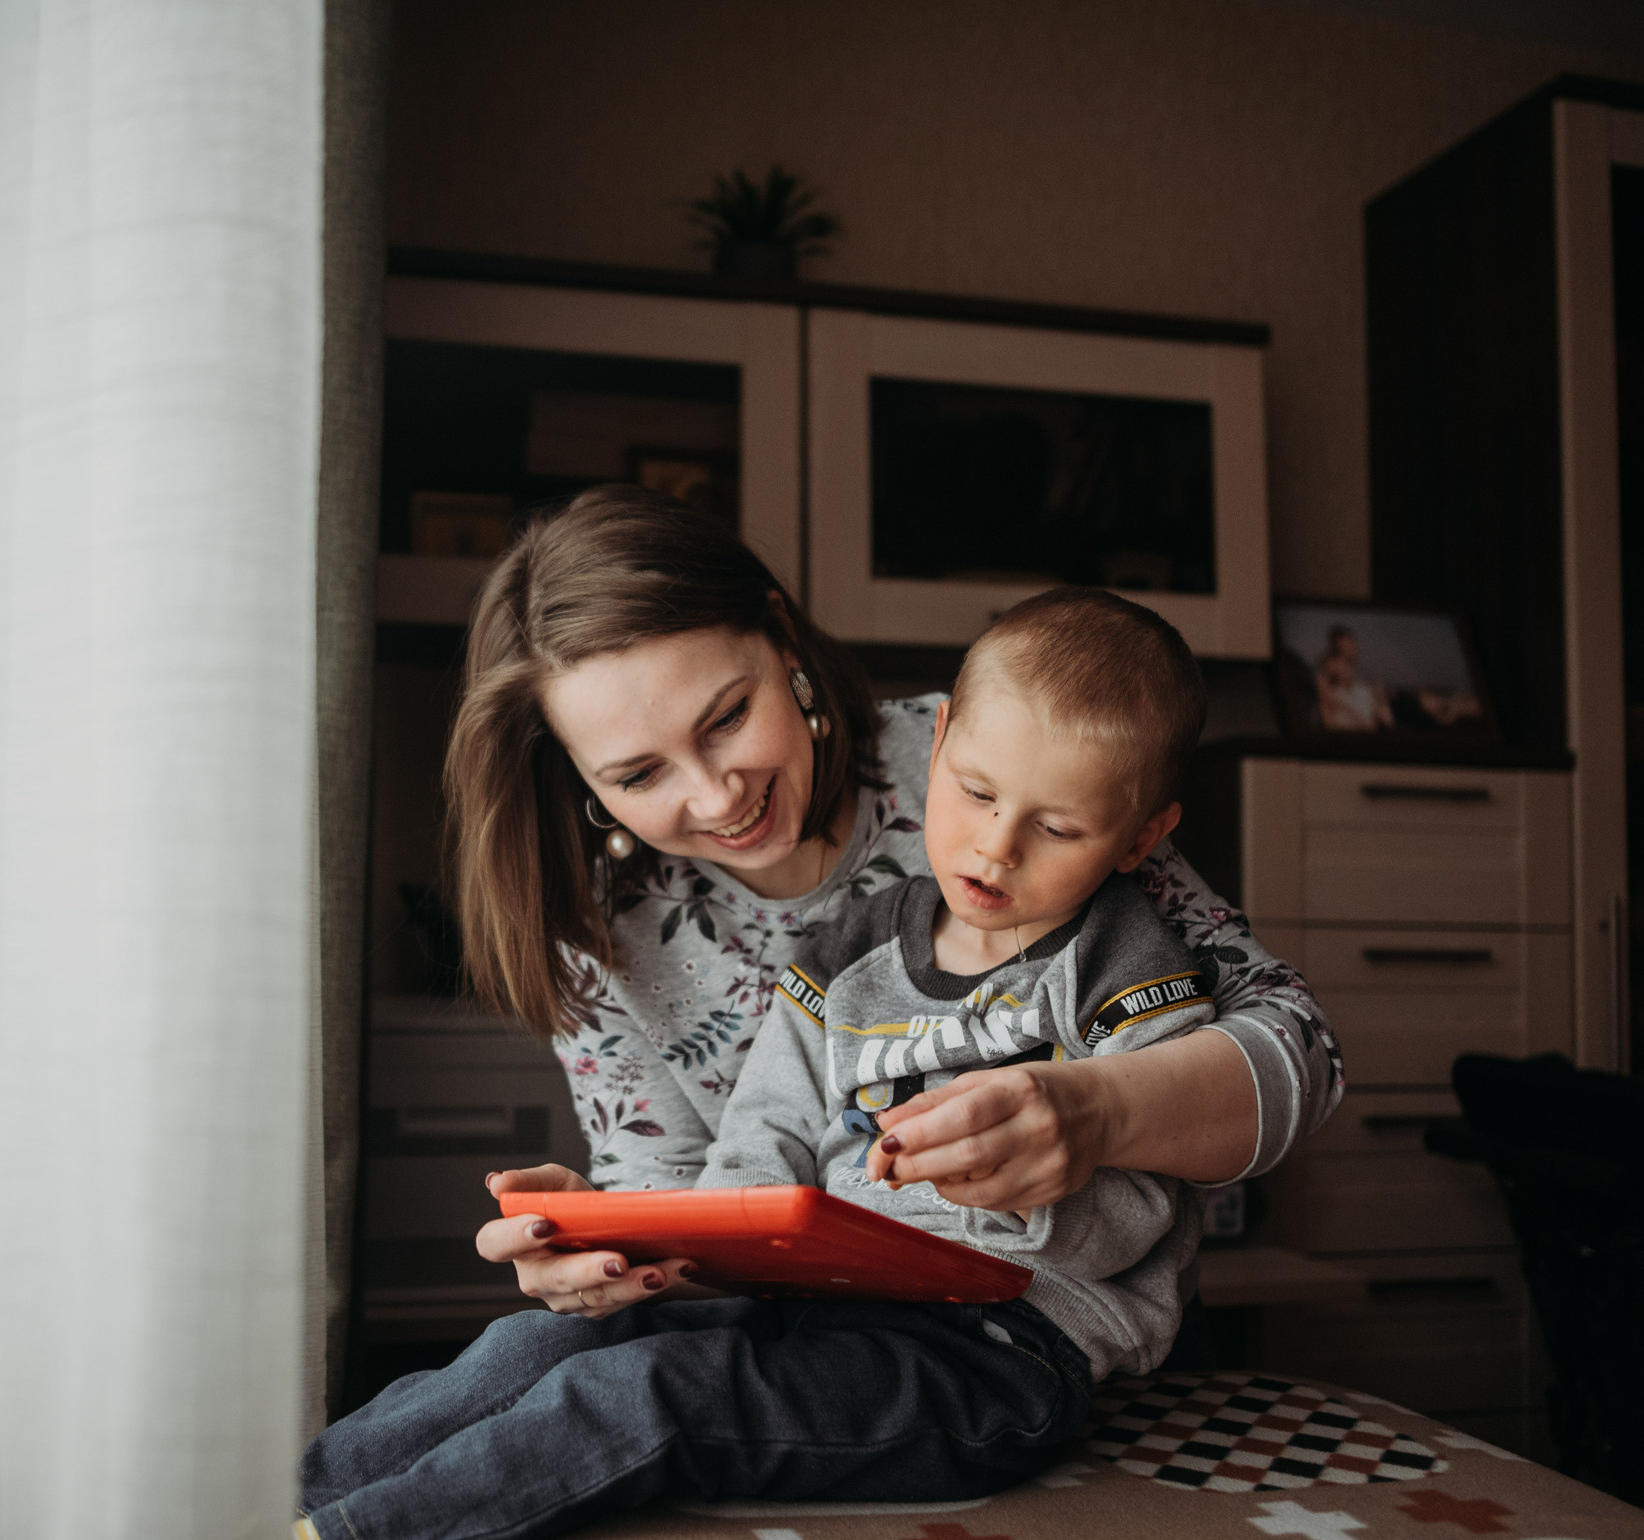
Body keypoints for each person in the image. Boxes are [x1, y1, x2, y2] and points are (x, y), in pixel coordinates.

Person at [290, 590, 1225, 1540]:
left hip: (999, 1351)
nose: (999, 846)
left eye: (1058, 826)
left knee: (641, 1396)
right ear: (936, 757)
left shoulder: (1127, 960)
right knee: (540, 1344)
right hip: (820, 1295)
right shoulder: (849, 949)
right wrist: (669, 1237)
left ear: (1142, 833)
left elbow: (1147, 1205)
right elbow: (765, 1133)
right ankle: (277, 1520)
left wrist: (1012, 1190)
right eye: (972, 793)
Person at [449, 486, 1341, 1318]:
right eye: (639, 774)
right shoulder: (593, 926)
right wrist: (605, 1247)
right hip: (808, 1344)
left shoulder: (994, 769)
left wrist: (1101, 1108)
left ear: (781, 639)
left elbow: (1301, 1046)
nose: (718, 797)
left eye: (726, 717)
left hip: (1033, 1337)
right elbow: (684, 1205)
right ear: (582, 782)